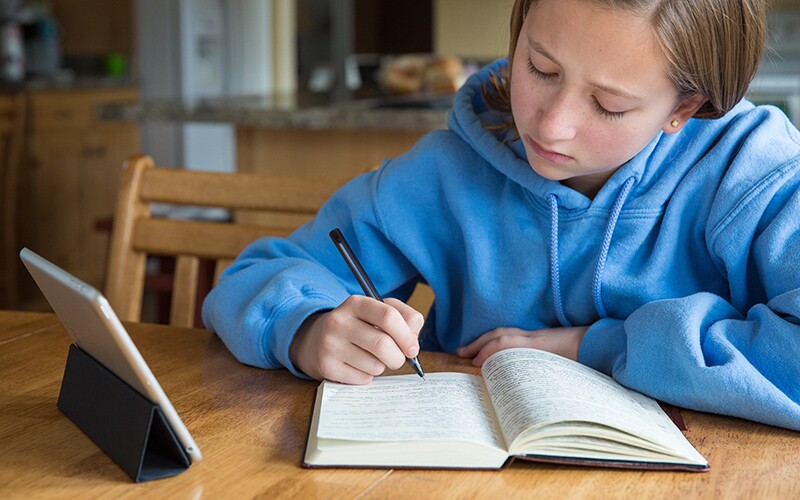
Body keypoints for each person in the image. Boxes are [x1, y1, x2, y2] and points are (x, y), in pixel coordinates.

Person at [203, 0, 800, 431]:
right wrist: (307, 328)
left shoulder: (752, 169)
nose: (550, 125)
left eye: (608, 103)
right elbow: (257, 274)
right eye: (539, 68)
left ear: (684, 107)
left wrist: (595, 347)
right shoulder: (444, 172)